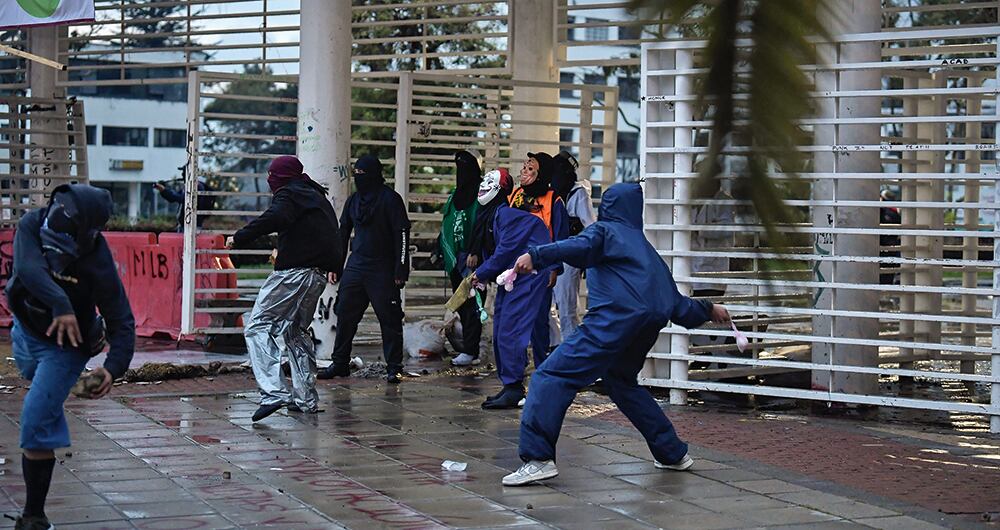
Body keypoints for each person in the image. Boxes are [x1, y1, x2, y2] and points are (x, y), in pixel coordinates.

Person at [501, 183, 731, 486]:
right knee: (620, 382)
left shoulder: (604, 231)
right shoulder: (646, 250)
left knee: (550, 377)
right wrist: (708, 308)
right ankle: (672, 453)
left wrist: (536, 255)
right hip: (647, 326)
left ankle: (538, 458)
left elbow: (578, 247)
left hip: (611, 322)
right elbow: (677, 305)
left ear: (608, 206)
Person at [5, 184, 135, 530]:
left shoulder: (97, 262)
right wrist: (60, 303)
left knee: (35, 421)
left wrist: (113, 368)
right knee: (32, 375)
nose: (54, 221)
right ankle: (56, 389)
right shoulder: (33, 223)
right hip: (25, 330)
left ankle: (34, 516)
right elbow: (28, 268)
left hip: (68, 345)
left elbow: (122, 320)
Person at [228, 155, 341, 422]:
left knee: (257, 326)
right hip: (316, 276)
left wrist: (240, 236)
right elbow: (327, 233)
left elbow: (276, 216)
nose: (269, 180)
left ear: (281, 176)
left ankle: (273, 392)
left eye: (272, 175)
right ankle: (305, 399)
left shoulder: (289, 194)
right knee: (295, 332)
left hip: (293, 274)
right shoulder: (313, 195)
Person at [318, 155, 411, 384]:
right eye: (356, 174)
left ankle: (394, 367)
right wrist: (335, 265)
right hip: (356, 266)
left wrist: (400, 269)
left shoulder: (391, 200)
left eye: (363, 174)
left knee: (389, 319)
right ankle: (340, 363)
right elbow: (342, 233)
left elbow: (402, 234)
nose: (359, 178)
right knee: (345, 314)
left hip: (382, 268)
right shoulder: (354, 201)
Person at [472, 170, 555, 409]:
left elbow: (503, 252)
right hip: (514, 275)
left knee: (511, 328)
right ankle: (511, 386)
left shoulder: (506, 215)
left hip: (528, 274)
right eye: (483, 180)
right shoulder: (494, 216)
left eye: (490, 181)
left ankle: (514, 387)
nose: (483, 186)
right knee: (502, 328)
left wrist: (481, 274)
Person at [508, 152, 570, 367]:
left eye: (530, 168)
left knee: (537, 319)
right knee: (514, 317)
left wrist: (554, 268)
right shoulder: (515, 195)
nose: (524, 171)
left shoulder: (554, 200)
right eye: (524, 167)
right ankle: (517, 363)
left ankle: (542, 365)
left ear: (541, 173)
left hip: (540, 267)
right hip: (513, 267)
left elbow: (560, 238)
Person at [438, 150, 484, 367]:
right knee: (461, 303)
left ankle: (472, 350)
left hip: (473, 260)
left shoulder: (481, 195)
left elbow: (482, 225)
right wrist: (439, 249)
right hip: (455, 259)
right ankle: (467, 347)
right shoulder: (456, 194)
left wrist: (476, 251)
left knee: (473, 304)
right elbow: (447, 222)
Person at [549, 151, 596, 340]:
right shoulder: (552, 192)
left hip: (569, 254)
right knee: (546, 305)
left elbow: (590, 226)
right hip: (552, 252)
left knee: (567, 306)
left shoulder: (578, 193)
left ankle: (571, 348)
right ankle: (554, 346)